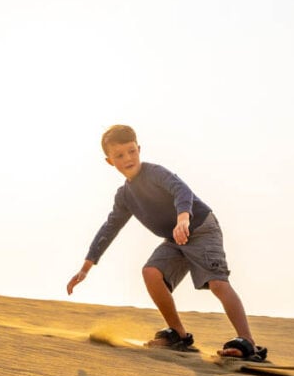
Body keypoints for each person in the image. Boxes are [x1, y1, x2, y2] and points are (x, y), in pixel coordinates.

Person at [66, 124, 267, 361]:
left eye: (131, 151)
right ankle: (178, 334)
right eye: (119, 155)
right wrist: (86, 267)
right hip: (175, 238)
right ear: (110, 161)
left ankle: (248, 342)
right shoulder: (124, 196)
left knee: (217, 283)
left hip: (201, 229)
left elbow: (181, 191)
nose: (128, 158)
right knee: (151, 272)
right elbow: (109, 229)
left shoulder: (155, 173)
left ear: (139, 149)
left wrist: (183, 218)